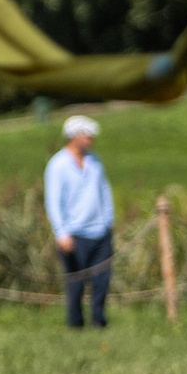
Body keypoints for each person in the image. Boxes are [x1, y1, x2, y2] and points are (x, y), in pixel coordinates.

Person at [43, 115, 115, 328]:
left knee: (102, 280)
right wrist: (61, 233)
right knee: (75, 283)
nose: (91, 139)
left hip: (100, 232)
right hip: (74, 234)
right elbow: (53, 202)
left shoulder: (95, 161)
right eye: (87, 135)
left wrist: (109, 222)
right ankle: (76, 324)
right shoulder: (58, 165)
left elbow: (104, 191)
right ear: (74, 137)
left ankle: (99, 321)